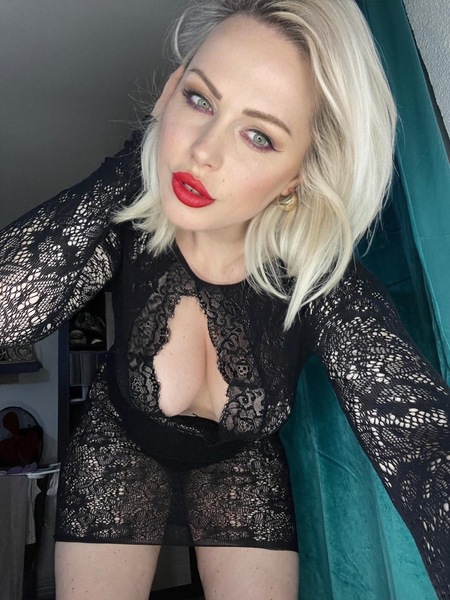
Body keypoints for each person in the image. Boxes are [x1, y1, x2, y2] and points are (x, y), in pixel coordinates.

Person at [0, 0, 449, 598]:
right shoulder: (123, 229)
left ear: (297, 175)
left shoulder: (323, 284)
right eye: (199, 99)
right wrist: (141, 158)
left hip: (240, 461)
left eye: (259, 136)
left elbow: (425, 449)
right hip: (120, 439)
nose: (204, 151)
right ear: (170, 92)